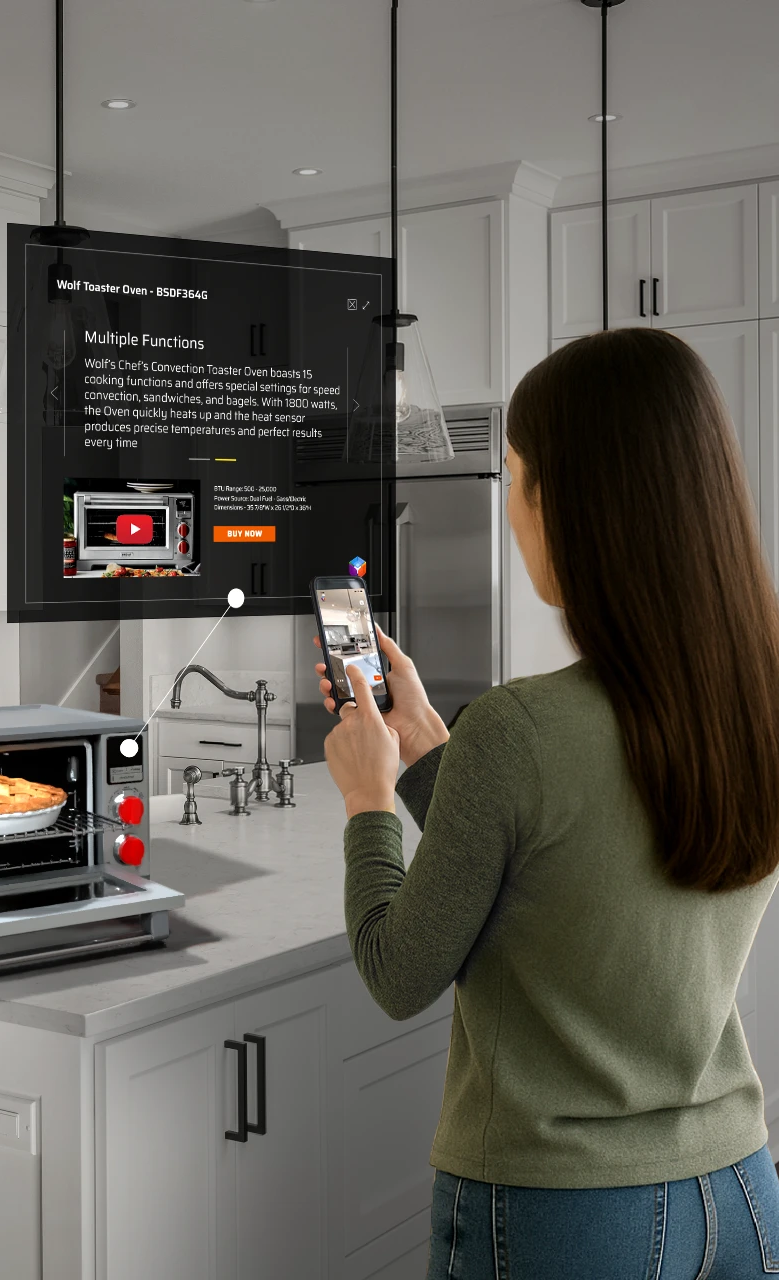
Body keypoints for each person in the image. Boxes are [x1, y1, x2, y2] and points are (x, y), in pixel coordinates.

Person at [317, 327, 779, 1278]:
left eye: (516, 476)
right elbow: (575, 866)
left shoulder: (522, 728)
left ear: (567, 503)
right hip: (738, 1191)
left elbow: (397, 971)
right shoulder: (754, 700)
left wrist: (367, 800)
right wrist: (424, 755)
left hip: (565, 1215)